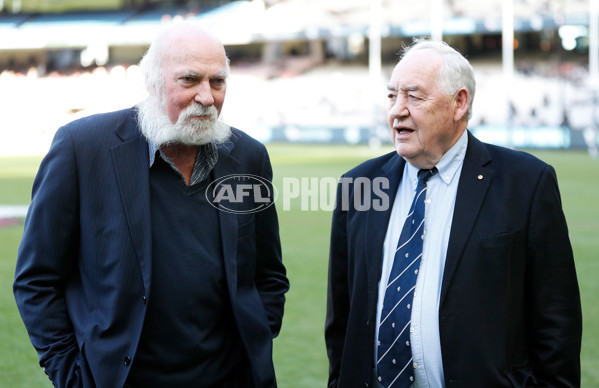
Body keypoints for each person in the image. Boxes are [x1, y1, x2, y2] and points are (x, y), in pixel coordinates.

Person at [14, 22, 289, 388]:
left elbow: (268, 274)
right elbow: (36, 279)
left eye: (218, 82)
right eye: (189, 80)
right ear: (154, 83)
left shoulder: (249, 157)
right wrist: (71, 374)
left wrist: (256, 339)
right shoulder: (82, 147)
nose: (207, 97)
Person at [325, 39, 582, 388]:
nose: (397, 110)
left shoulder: (526, 183)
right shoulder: (359, 185)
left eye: (414, 96)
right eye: (392, 96)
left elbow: (557, 320)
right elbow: (341, 319)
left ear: (459, 102)